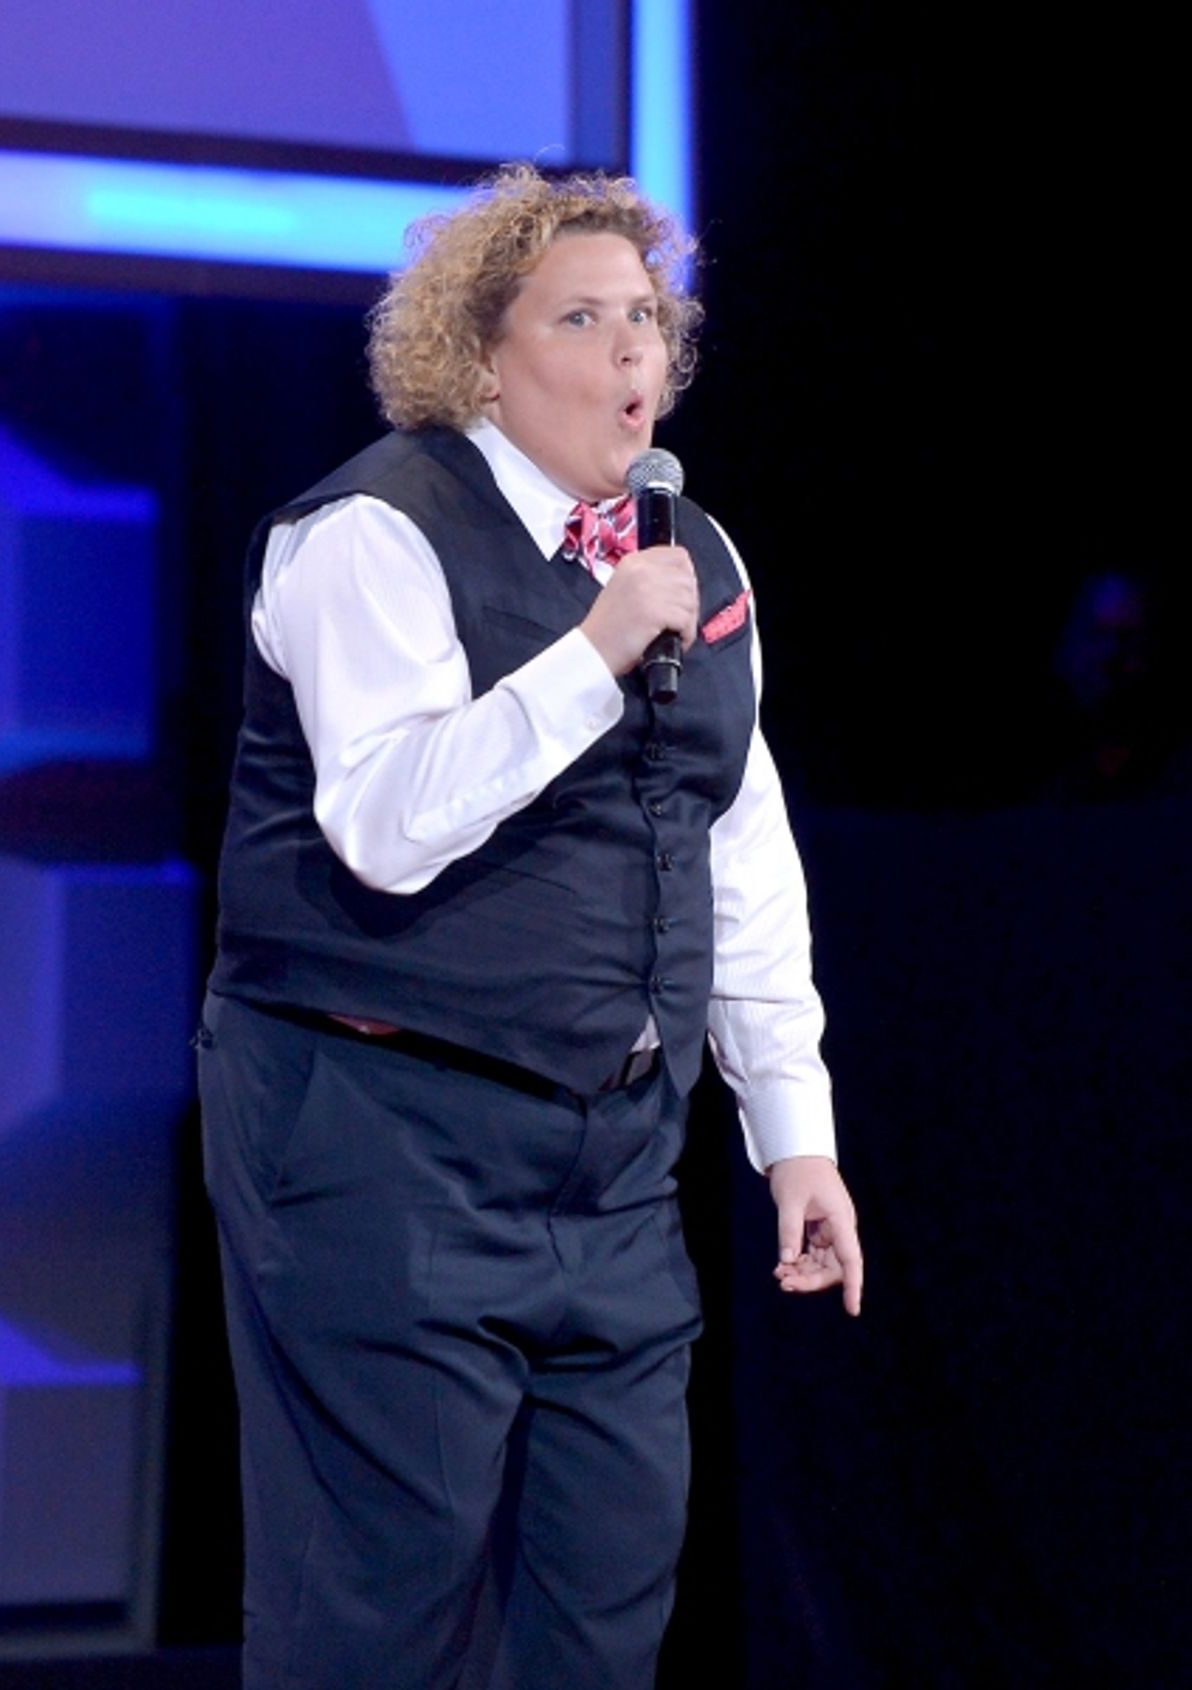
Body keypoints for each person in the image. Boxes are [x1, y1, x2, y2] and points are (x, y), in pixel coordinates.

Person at [198, 162, 862, 1690]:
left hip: (611, 1159)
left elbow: (738, 845)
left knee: (604, 1598)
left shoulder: (694, 559)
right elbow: (387, 821)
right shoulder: (372, 533)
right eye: (582, 317)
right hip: (378, 1130)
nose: (634, 349)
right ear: (479, 360)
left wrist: (794, 1132)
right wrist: (589, 652)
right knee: (378, 1609)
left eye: (648, 318)